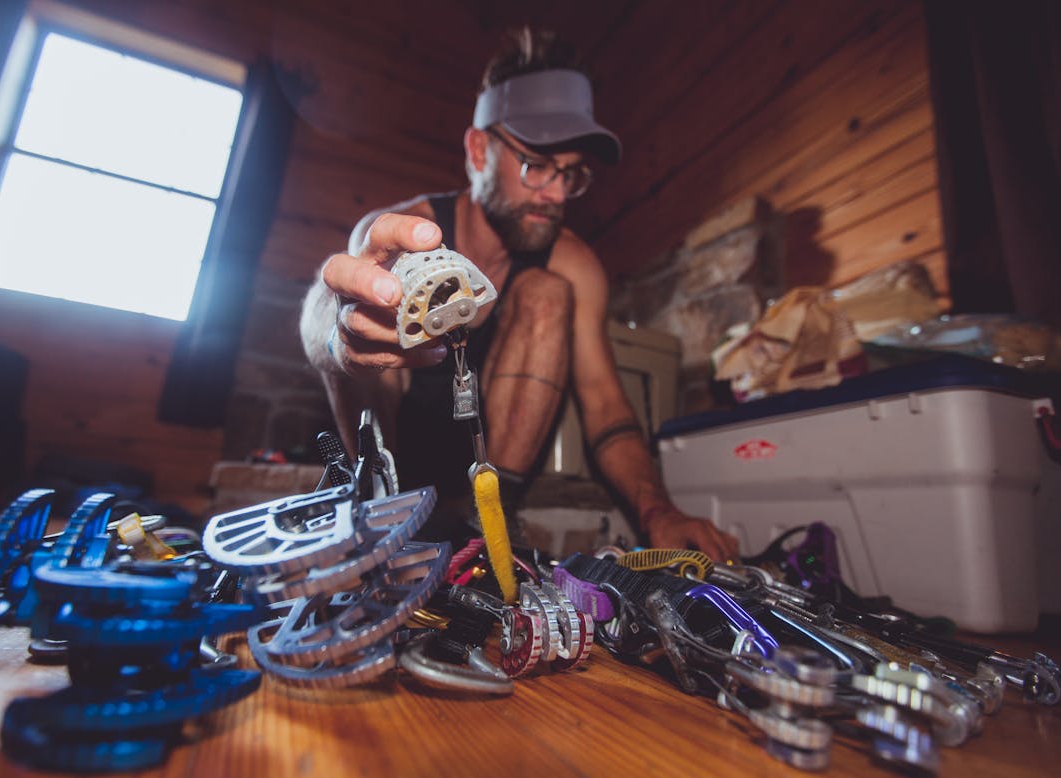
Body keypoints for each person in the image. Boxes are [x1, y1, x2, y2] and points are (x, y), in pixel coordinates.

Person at [300, 28, 739, 562]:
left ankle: (486, 534)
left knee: (548, 290)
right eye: (535, 166)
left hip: (484, 482)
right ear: (479, 149)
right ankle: (383, 507)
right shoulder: (404, 231)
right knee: (368, 308)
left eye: (571, 175)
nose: (554, 194)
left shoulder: (573, 262)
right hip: (397, 463)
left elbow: (604, 403)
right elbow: (331, 313)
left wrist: (657, 511)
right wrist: (335, 326)